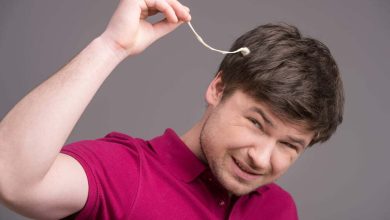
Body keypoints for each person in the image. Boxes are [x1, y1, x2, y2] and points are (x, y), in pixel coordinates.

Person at [0, 0, 344, 219]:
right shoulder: (126, 173)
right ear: (218, 88)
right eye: (257, 123)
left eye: (289, 145)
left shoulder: (278, 209)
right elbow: (12, 180)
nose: (262, 158)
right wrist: (110, 47)